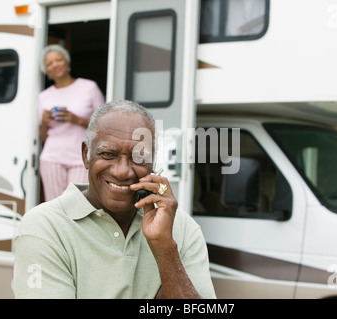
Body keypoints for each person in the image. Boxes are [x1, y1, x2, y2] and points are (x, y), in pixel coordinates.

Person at [12, 100, 216, 299]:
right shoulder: (44, 226)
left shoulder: (182, 228)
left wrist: (165, 249)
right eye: (108, 154)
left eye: (138, 158)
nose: (122, 171)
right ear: (86, 155)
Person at [38, 44, 105, 201]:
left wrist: (75, 119)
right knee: (55, 206)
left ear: (67, 63)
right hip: (51, 158)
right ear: (46, 70)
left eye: (58, 60)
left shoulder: (88, 87)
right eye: (49, 63)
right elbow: (43, 137)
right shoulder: (44, 96)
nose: (55, 65)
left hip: (82, 157)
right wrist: (44, 122)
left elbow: (103, 126)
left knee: (79, 202)